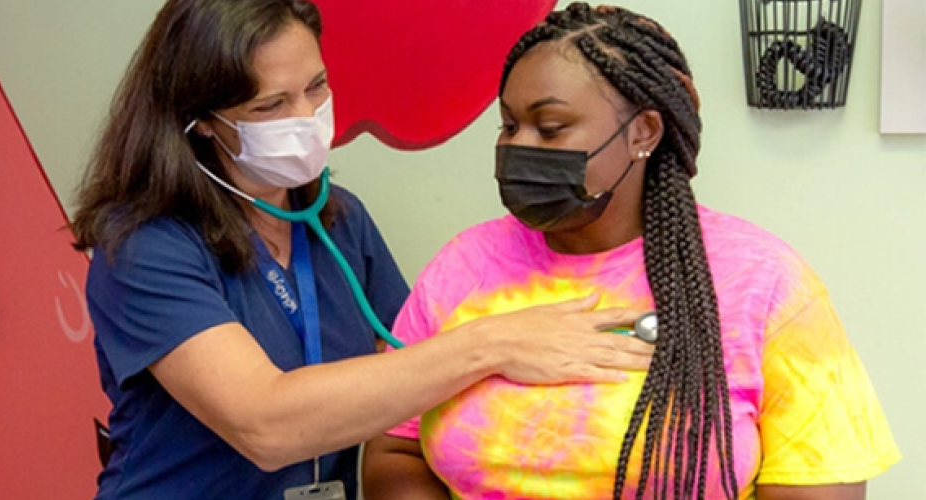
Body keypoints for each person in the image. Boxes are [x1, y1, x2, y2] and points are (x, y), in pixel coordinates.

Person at [68, 0, 655, 498]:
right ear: (199, 121)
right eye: (270, 107)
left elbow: (405, 378)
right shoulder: (145, 245)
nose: (305, 117)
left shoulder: (336, 218)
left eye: (316, 87)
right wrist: (494, 343)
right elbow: (265, 424)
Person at [362, 4, 900, 500]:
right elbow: (393, 447)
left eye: (550, 128)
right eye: (508, 124)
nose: (517, 147)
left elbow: (818, 481)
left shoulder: (763, 282)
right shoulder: (464, 266)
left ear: (643, 132)